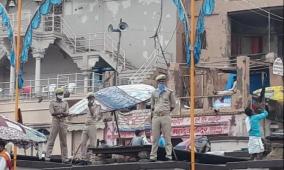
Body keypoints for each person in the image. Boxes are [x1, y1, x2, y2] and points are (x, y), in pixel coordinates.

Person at [149, 74, 175, 161]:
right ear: (157, 83)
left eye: (163, 81)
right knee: (155, 138)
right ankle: (153, 156)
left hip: (165, 116)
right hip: (156, 117)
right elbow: (152, 106)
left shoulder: (169, 92)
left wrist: (166, 112)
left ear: (165, 82)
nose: (161, 83)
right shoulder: (153, 93)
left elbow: (173, 105)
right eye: (160, 82)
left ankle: (168, 155)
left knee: (167, 137)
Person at [45, 88, 69, 163]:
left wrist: (60, 113)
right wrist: (61, 113)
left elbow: (67, 113)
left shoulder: (65, 103)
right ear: (56, 95)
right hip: (55, 122)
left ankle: (65, 158)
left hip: (63, 122)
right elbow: (52, 113)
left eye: (62, 94)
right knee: (51, 140)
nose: (61, 95)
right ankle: (47, 157)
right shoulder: (52, 103)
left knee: (64, 142)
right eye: (59, 94)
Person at [79, 92, 102, 165]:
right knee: (82, 142)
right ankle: (83, 158)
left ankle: (92, 158)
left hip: (92, 125)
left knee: (92, 143)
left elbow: (94, 115)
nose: (90, 99)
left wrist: (90, 107)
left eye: (91, 98)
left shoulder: (97, 106)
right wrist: (89, 106)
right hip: (86, 125)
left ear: (93, 98)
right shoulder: (87, 105)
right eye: (89, 98)